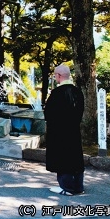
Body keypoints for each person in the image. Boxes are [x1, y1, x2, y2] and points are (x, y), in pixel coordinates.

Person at [44, 64, 85, 196]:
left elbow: (48, 114)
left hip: (59, 132)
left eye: (55, 75)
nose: (55, 77)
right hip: (74, 130)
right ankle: (78, 186)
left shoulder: (57, 93)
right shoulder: (77, 92)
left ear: (59, 76)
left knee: (63, 158)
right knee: (76, 157)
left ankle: (67, 187)